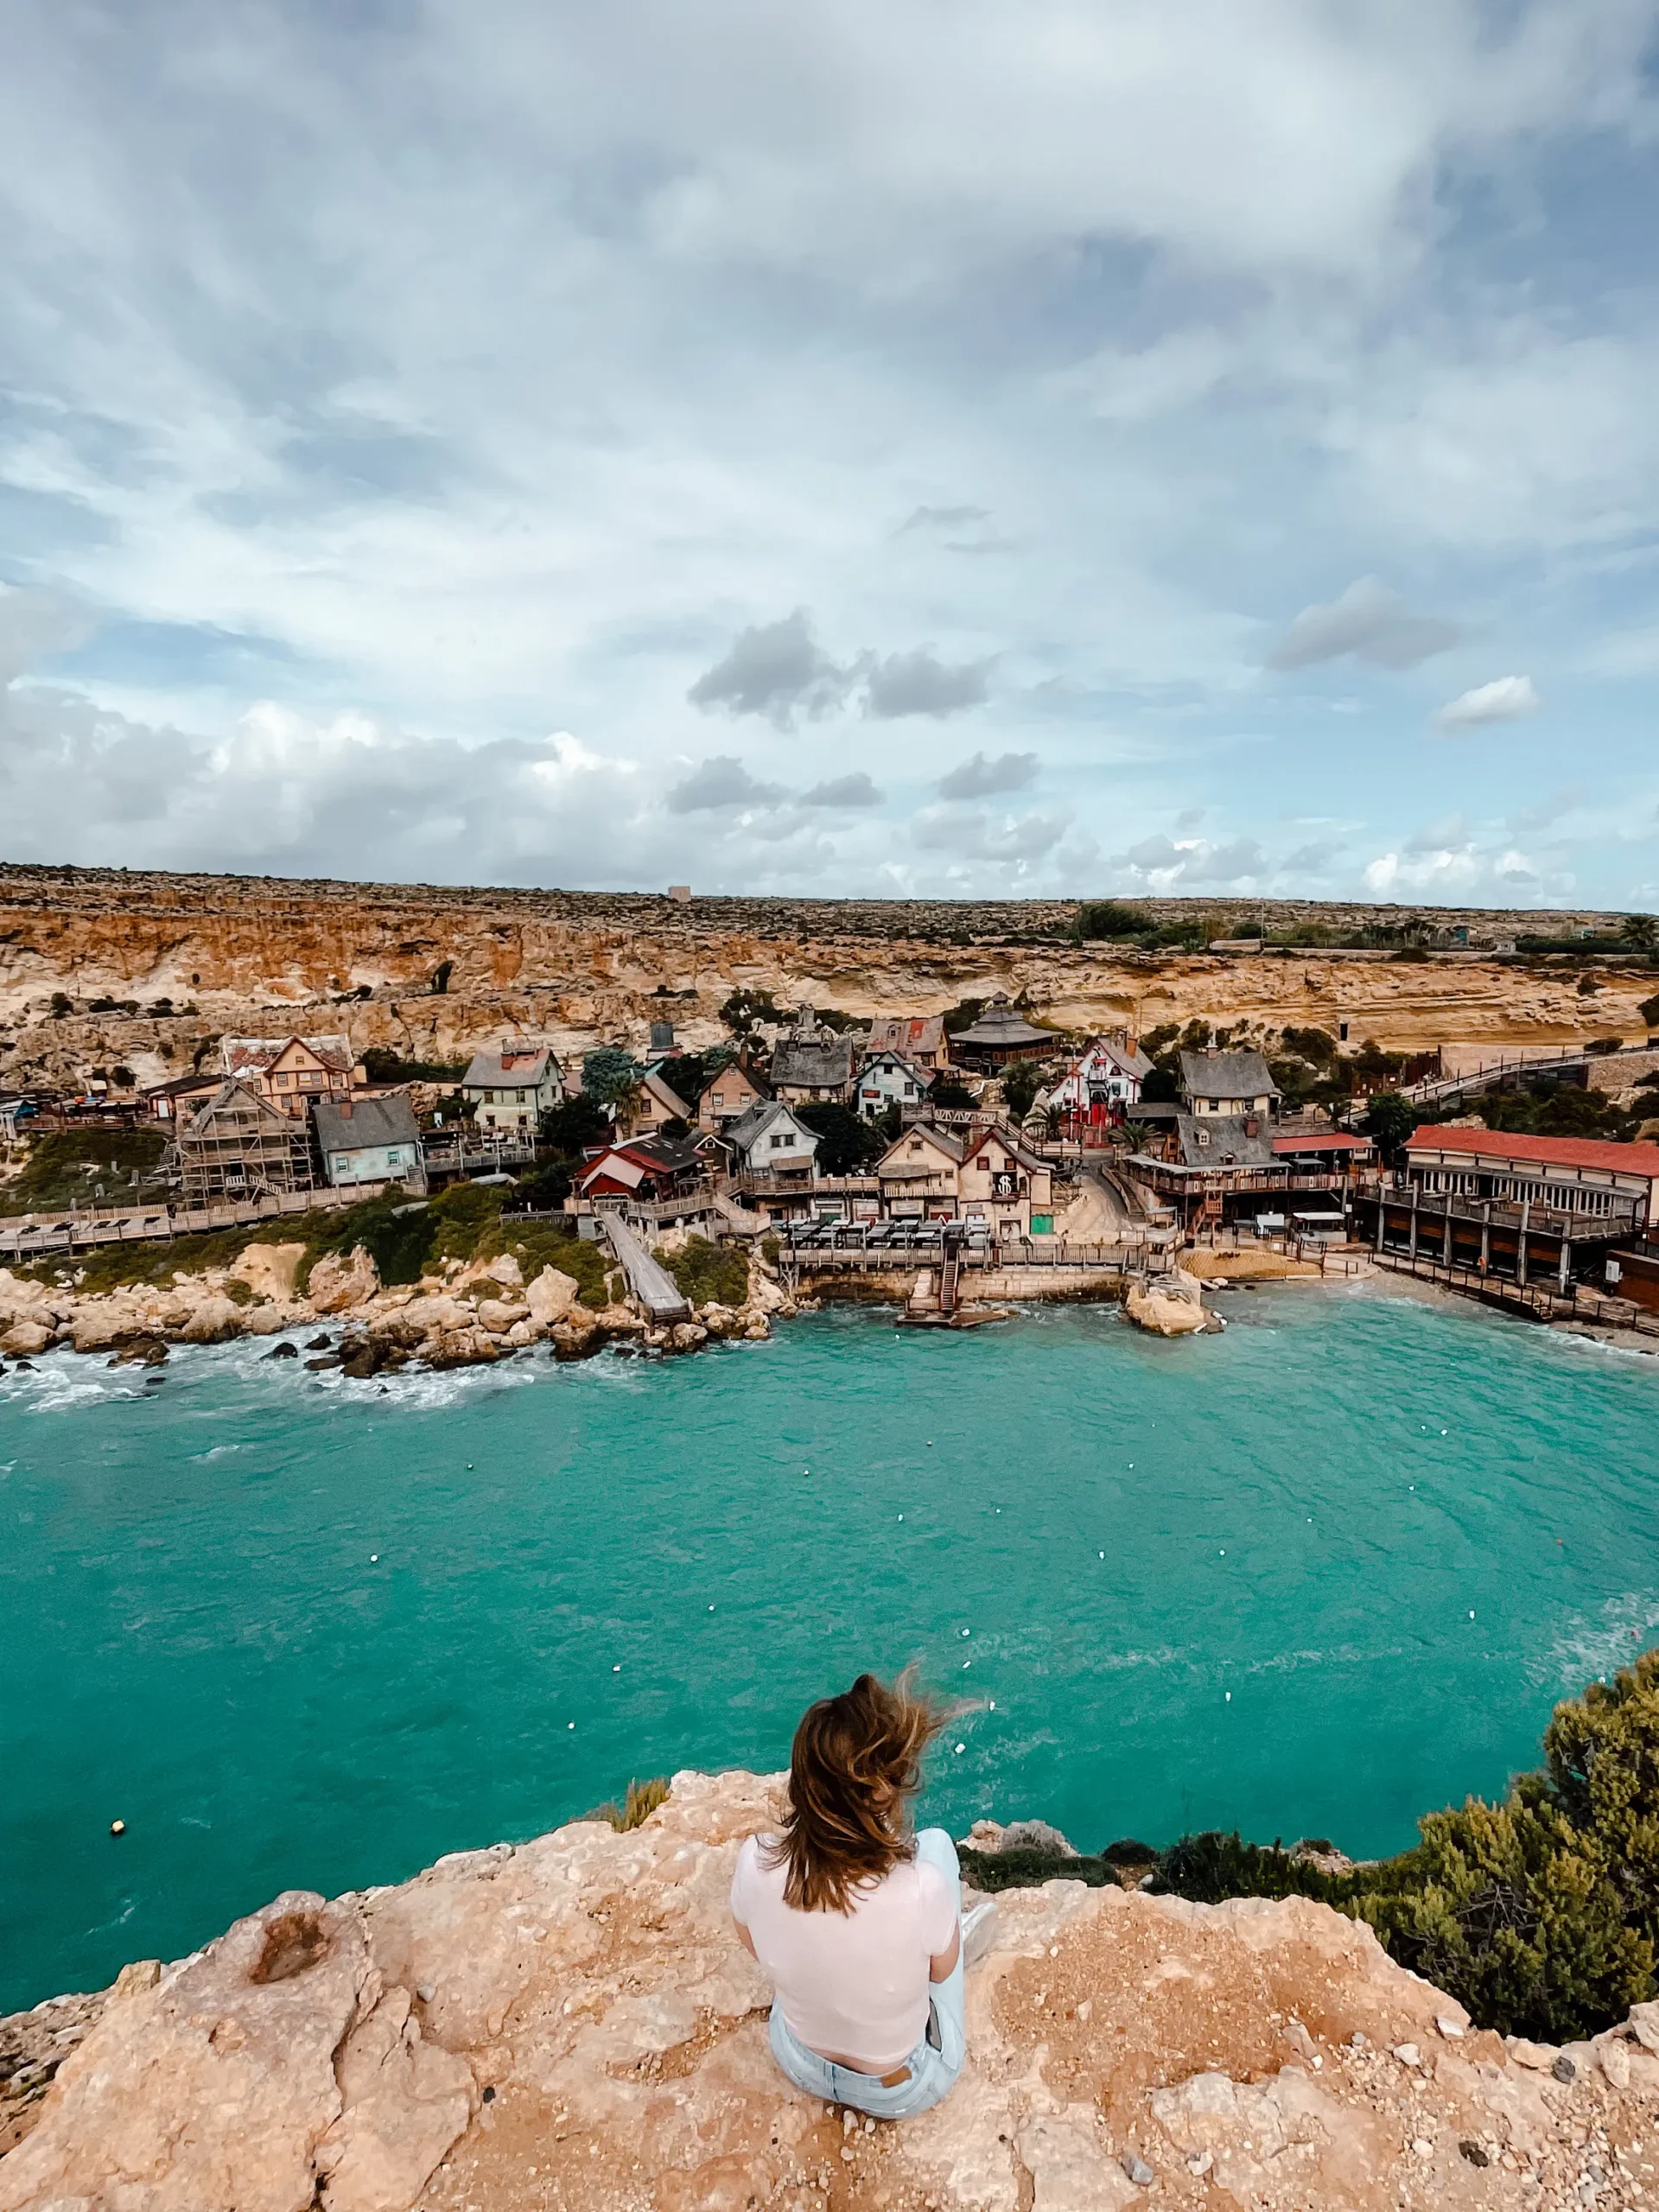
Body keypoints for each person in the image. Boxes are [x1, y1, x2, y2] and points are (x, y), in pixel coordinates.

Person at [729, 1670, 995, 2119]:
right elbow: (940, 1972)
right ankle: (952, 1931)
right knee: (936, 1847)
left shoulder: (754, 1860)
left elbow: (752, 1942)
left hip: (799, 2060)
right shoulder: (919, 1888)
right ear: (885, 1792)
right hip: (899, 2088)